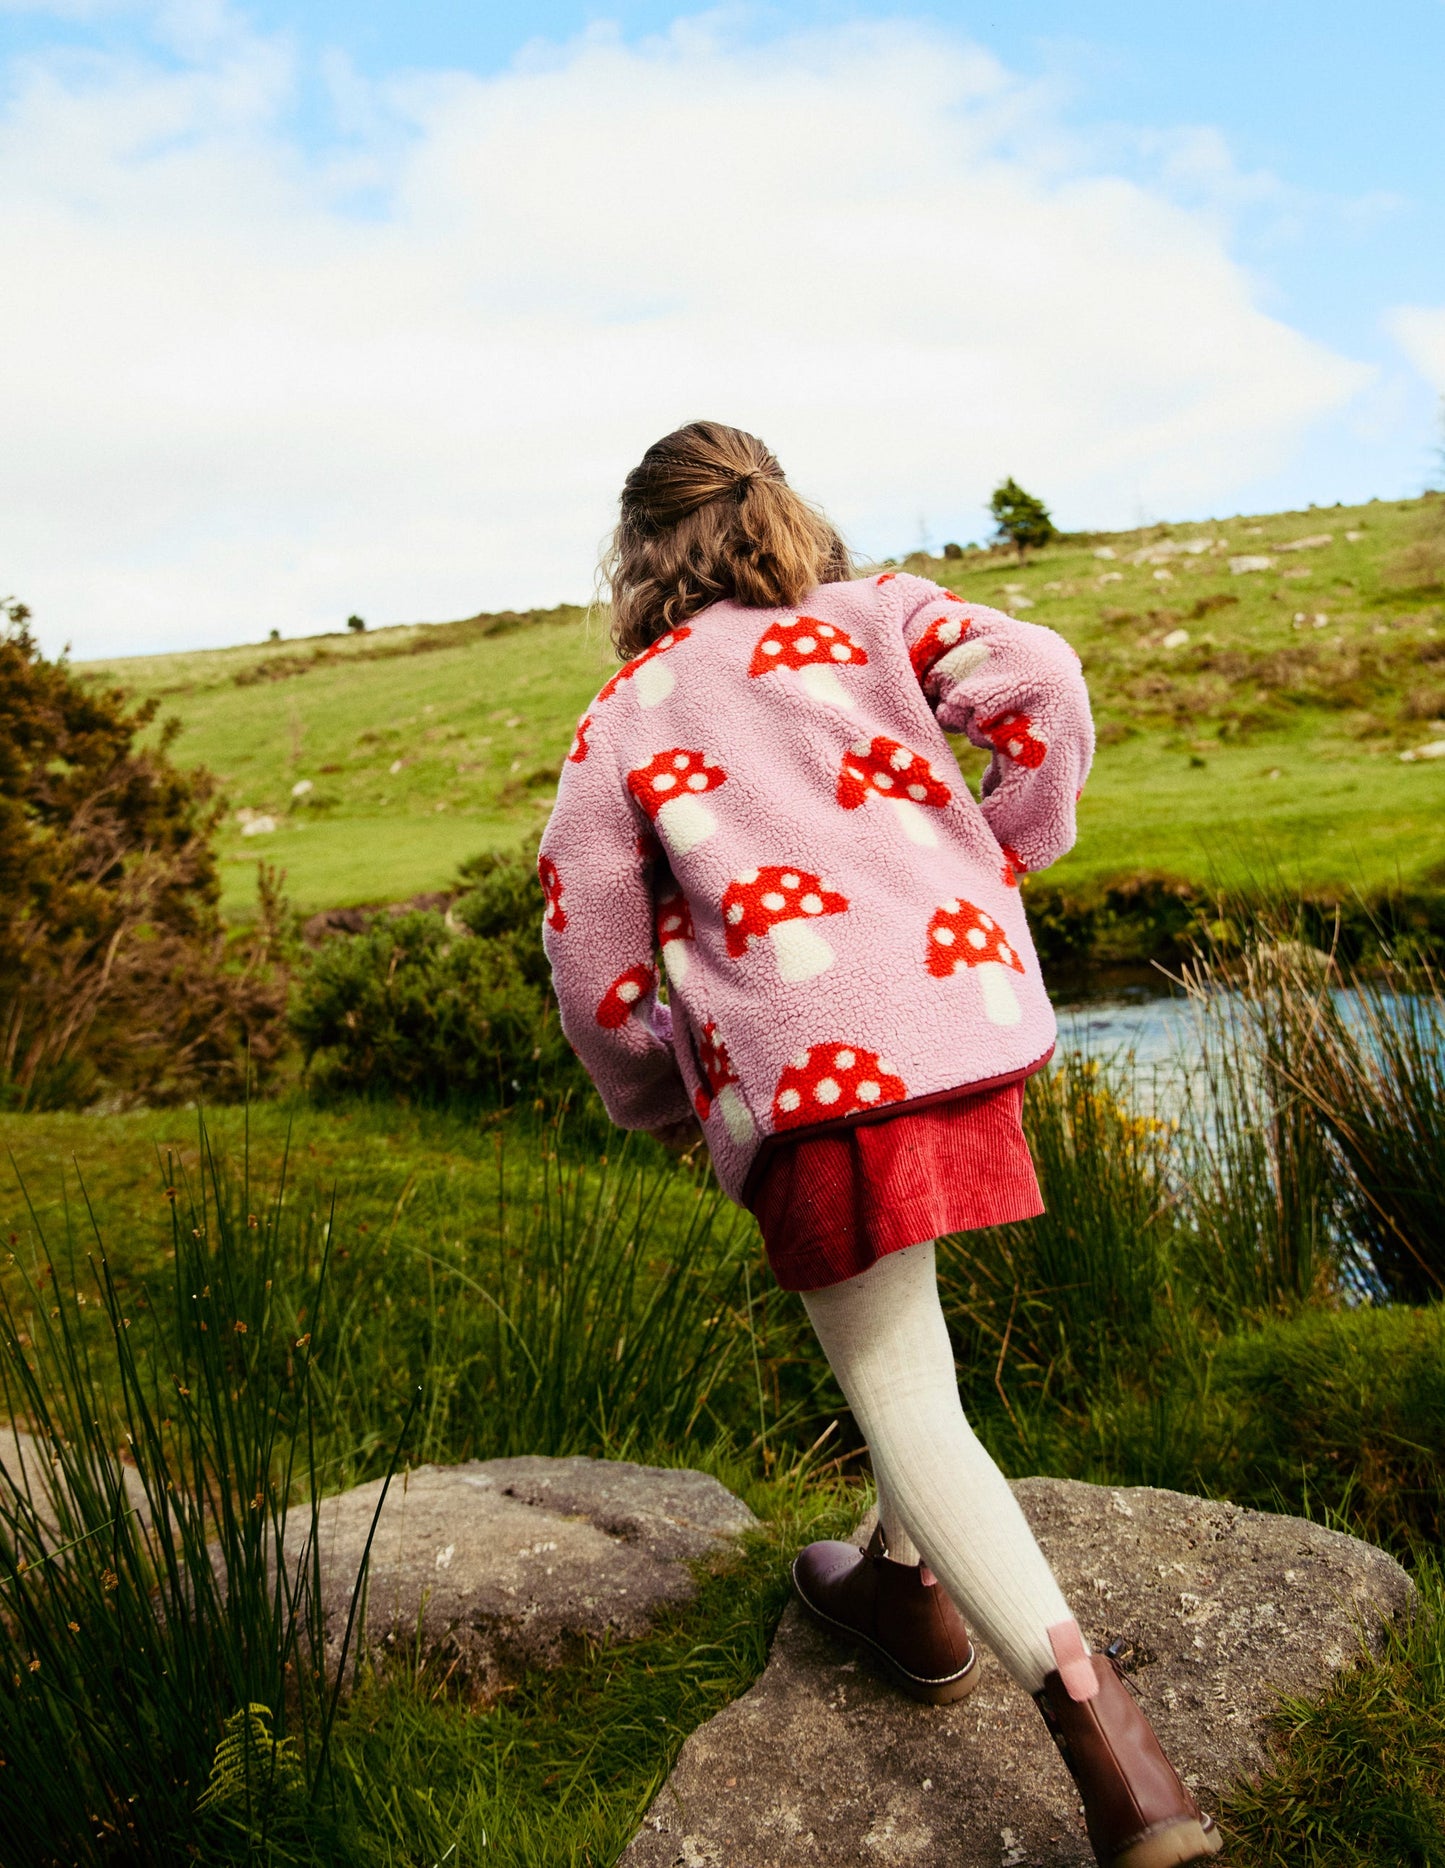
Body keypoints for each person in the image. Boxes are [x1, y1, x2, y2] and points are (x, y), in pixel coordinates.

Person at [539, 421, 1221, 1868]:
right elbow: (1040, 678)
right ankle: (902, 1593)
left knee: (899, 1385)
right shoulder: (882, 615)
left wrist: (659, 1093)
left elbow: (587, 949)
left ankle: (1116, 1759)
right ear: (782, 513)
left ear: (638, 551)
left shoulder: (629, 713)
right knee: (916, 1349)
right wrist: (999, 851)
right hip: (959, 1019)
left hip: (805, 1072)